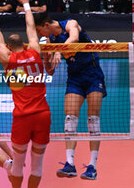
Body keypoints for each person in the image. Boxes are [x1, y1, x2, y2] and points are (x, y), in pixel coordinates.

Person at [0, 0, 51, 188]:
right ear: (24, 43)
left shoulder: (8, 59)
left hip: (22, 117)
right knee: (37, 167)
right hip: (43, 114)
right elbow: (31, 27)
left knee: (17, 166)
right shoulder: (36, 51)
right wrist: (27, 4)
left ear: (9, 47)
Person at [34, 12, 106, 180]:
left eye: (39, 31)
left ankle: (92, 166)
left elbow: (73, 38)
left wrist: (58, 50)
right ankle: (69, 164)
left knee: (93, 120)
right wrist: (47, 54)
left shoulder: (70, 24)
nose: (40, 35)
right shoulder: (50, 39)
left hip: (93, 75)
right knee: (70, 119)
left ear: (46, 25)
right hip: (74, 78)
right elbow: (50, 70)